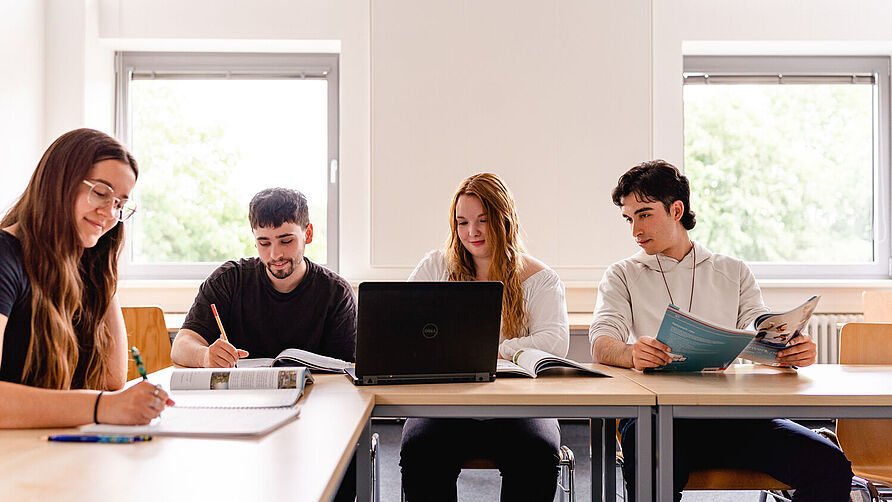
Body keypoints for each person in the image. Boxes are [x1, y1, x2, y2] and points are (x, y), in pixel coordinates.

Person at [589, 160, 853, 502]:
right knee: (654, 467)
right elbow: (601, 342)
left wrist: (791, 347)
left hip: (733, 416)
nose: (635, 230)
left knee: (830, 466)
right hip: (659, 419)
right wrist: (631, 353)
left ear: (676, 210)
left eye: (644, 214)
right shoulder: (622, 273)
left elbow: (760, 321)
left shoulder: (732, 270)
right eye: (629, 218)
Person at [170, 186, 357, 501]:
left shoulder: (335, 294)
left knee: (340, 469)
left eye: (286, 240)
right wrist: (205, 356)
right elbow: (182, 344)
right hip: (238, 414)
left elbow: (345, 378)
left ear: (308, 234)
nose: (275, 255)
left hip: (314, 416)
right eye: (263, 243)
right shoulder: (230, 280)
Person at [399, 172, 570, 502]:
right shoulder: (436, 267)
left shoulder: (540, 279)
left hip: (519, 409)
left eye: (483, 220)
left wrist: (489, 350)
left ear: (504, 220)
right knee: (421, 450)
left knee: (537, 452)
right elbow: (403, 327)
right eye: (462, 222)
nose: (472, 232)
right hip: (444, 407)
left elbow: (554, 342)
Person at [0, 128, 173, 429]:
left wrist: (103, 271)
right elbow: (107, 398)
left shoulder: (83, 263)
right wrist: (102, 407)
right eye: (101, 193)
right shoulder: (5, 256)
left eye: (120, 204)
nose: (109, 213)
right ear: (58, 183)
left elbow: (111, 378)